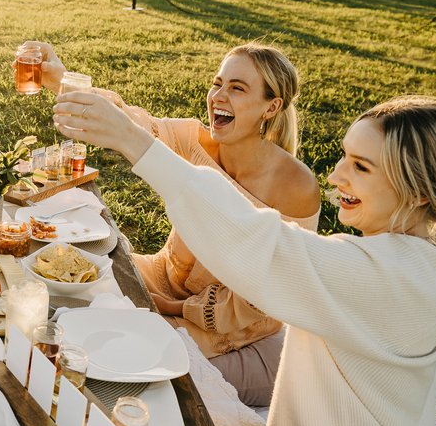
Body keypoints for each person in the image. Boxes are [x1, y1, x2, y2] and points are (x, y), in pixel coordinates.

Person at [55, 90, 436, 426]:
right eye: (344, 158)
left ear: (418, 192)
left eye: (361, 166)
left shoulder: (382, 277)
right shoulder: (415, 268)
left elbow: (259, 242)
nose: (336, 176)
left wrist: (132, 141)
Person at [21, 41, 320, 405]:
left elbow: (269, 297)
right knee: (67, 287)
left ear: (271, 107)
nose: (218, 96)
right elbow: (135, 123)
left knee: (118, 361)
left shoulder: (296, 186)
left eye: (237, 88)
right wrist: (61, 79)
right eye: (217, 83)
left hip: (229, 323)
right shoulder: (197, 140)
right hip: (164, 276)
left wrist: (170, 308)